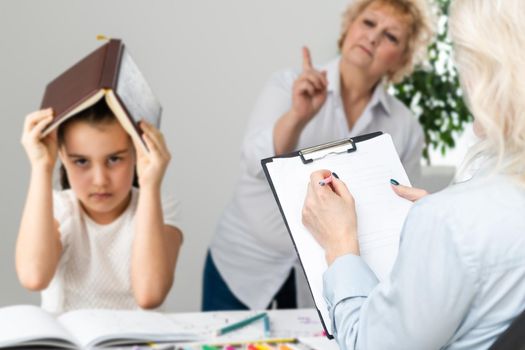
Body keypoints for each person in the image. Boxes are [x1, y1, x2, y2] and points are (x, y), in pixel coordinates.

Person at [301, 0, 525, 348]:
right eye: (368, 23)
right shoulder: (462, 217)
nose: (373, 39)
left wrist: (340, 246)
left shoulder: (449, 219)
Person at [203, 0, 434, 311]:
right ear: (349, 28)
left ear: (401, 59)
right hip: (244, 269)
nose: (374, 37)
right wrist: (298, 115)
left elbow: (401, 215)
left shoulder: (403, 126)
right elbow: (252, 162)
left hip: (325, 285)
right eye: (368, 23)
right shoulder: (288, 85)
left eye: (391, 36)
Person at [16, 101, 183, 314]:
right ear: (63, 158)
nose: (100, 180)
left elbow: (150, 295)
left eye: (114, 159)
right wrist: (41, 167)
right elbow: (33, 277)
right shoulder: (60, 208)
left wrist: (150, 185)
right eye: (81, 161)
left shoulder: (159, 207)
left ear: (136, 152)